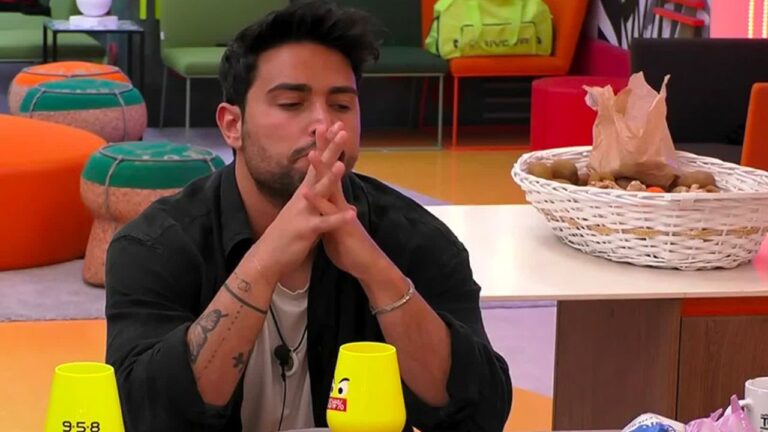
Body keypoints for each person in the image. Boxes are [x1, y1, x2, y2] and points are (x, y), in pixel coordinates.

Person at [104, 1, 512, 431]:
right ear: (232, 125)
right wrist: (264, 263)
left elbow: (480, 415)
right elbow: (144, 415)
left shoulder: (415, 239)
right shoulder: (157, 244)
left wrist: (375, 271)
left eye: (341, 106)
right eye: (291, 103)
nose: (323, 125)